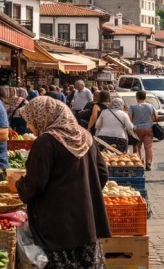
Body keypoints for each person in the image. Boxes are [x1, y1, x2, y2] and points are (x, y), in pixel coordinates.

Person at [10, 96, 111, 268]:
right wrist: (83, 195)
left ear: (43, 117)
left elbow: (35, 183)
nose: (28, 126)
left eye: (31, 121)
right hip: (86, 221)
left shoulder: (46, 142)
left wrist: (17, 185)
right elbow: (103, 174)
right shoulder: (86, 137)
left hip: (56, 224)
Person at [129, 91, 156, 171]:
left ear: (136, 97)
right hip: (148, 128)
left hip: (137, 128)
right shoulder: (150, 106)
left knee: (137, 147)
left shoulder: (132, 107)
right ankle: (148, 163)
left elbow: (129, 118)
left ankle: (138, 162)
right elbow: (155, 117)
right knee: (148, 147)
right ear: (145, 97)